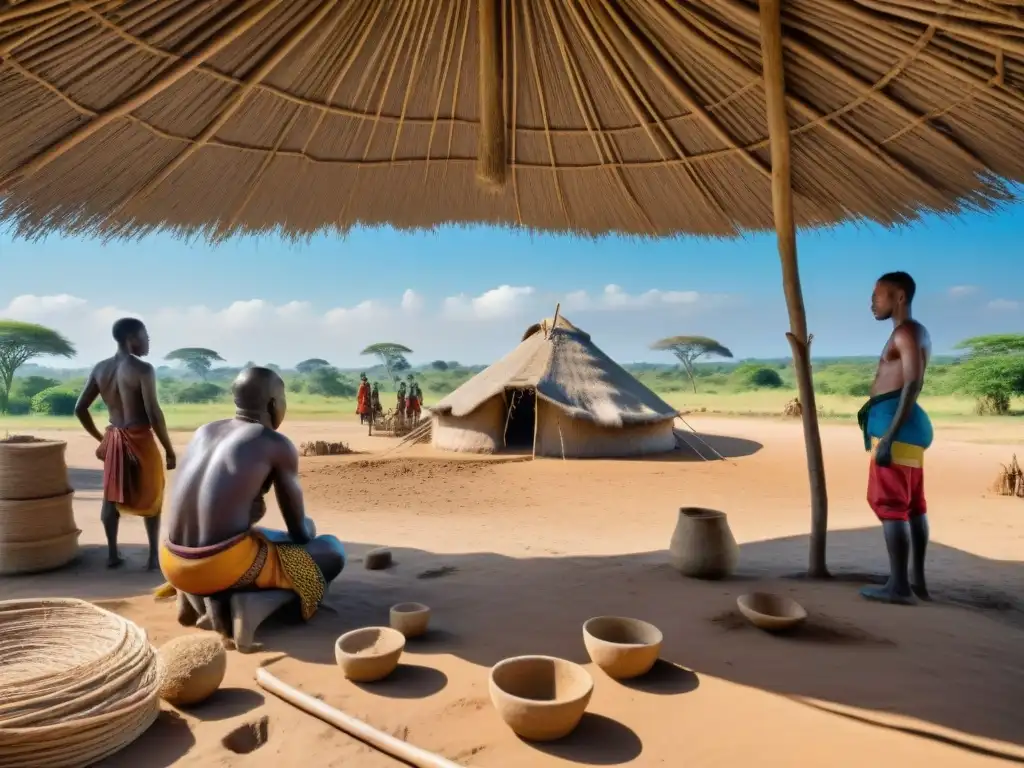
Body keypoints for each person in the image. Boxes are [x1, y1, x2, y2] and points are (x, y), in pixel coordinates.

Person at [157, 367, 345, 633]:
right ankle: (255, 603)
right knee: (331, 550)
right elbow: (299, 532)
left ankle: (195, 597)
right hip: (217, 566)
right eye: (283, 399)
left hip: (171, 560)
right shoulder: (275, 444)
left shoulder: (204, 432)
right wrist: (308, 530)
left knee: (266, 539)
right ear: (273, 404)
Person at [74, 318, 174, 571]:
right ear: (132, 337)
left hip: (115, 437)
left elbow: (80, 408)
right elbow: (153, 412)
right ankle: (152, 557)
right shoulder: (143, 369)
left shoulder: (100, 368)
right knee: (153, 495)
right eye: (146, 335)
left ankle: (112, 554)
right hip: (140, 437)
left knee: (111, 497)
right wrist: (169, 449)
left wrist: (102, 439)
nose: (148, 341)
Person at [857, 271, 932, 605]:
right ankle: (916, 581)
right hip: (905, 429)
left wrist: (888, 436)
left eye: (879, 295)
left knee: (891, 507)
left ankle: (900, 586)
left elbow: (913, 383)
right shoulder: (912, 332)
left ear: (899, 297)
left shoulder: (907, 332)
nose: (872, 302)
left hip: (896, 430)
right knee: (913, 506)